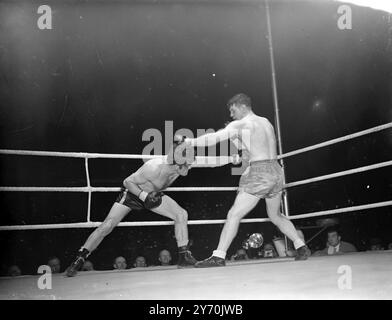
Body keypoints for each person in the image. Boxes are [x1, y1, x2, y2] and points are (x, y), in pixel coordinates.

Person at [65, 140, 238, 276]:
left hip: (154, 195)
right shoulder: (154, 167)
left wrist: (232, 158)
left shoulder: (184, 161)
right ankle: (79, 258)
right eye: (186, 165)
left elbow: (210, 162)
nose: (189, 167)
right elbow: (127, 182)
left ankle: (184, 256)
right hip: (134, 194)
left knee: (181, 214)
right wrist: (143, 196)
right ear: (176, 161)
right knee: (107, 226)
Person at [183, 93, 311, 267]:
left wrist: (190, 142)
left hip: (259, 172)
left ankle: (218, 256)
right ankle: (301, 246)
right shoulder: (265, 122)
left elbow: (213, 138)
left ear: (242, 106)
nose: (231, 115)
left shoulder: (241, 124)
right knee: (275, 215)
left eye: (233, 109)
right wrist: (240, 148)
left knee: (234, 214)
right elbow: (255, 149)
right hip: (276, 171)